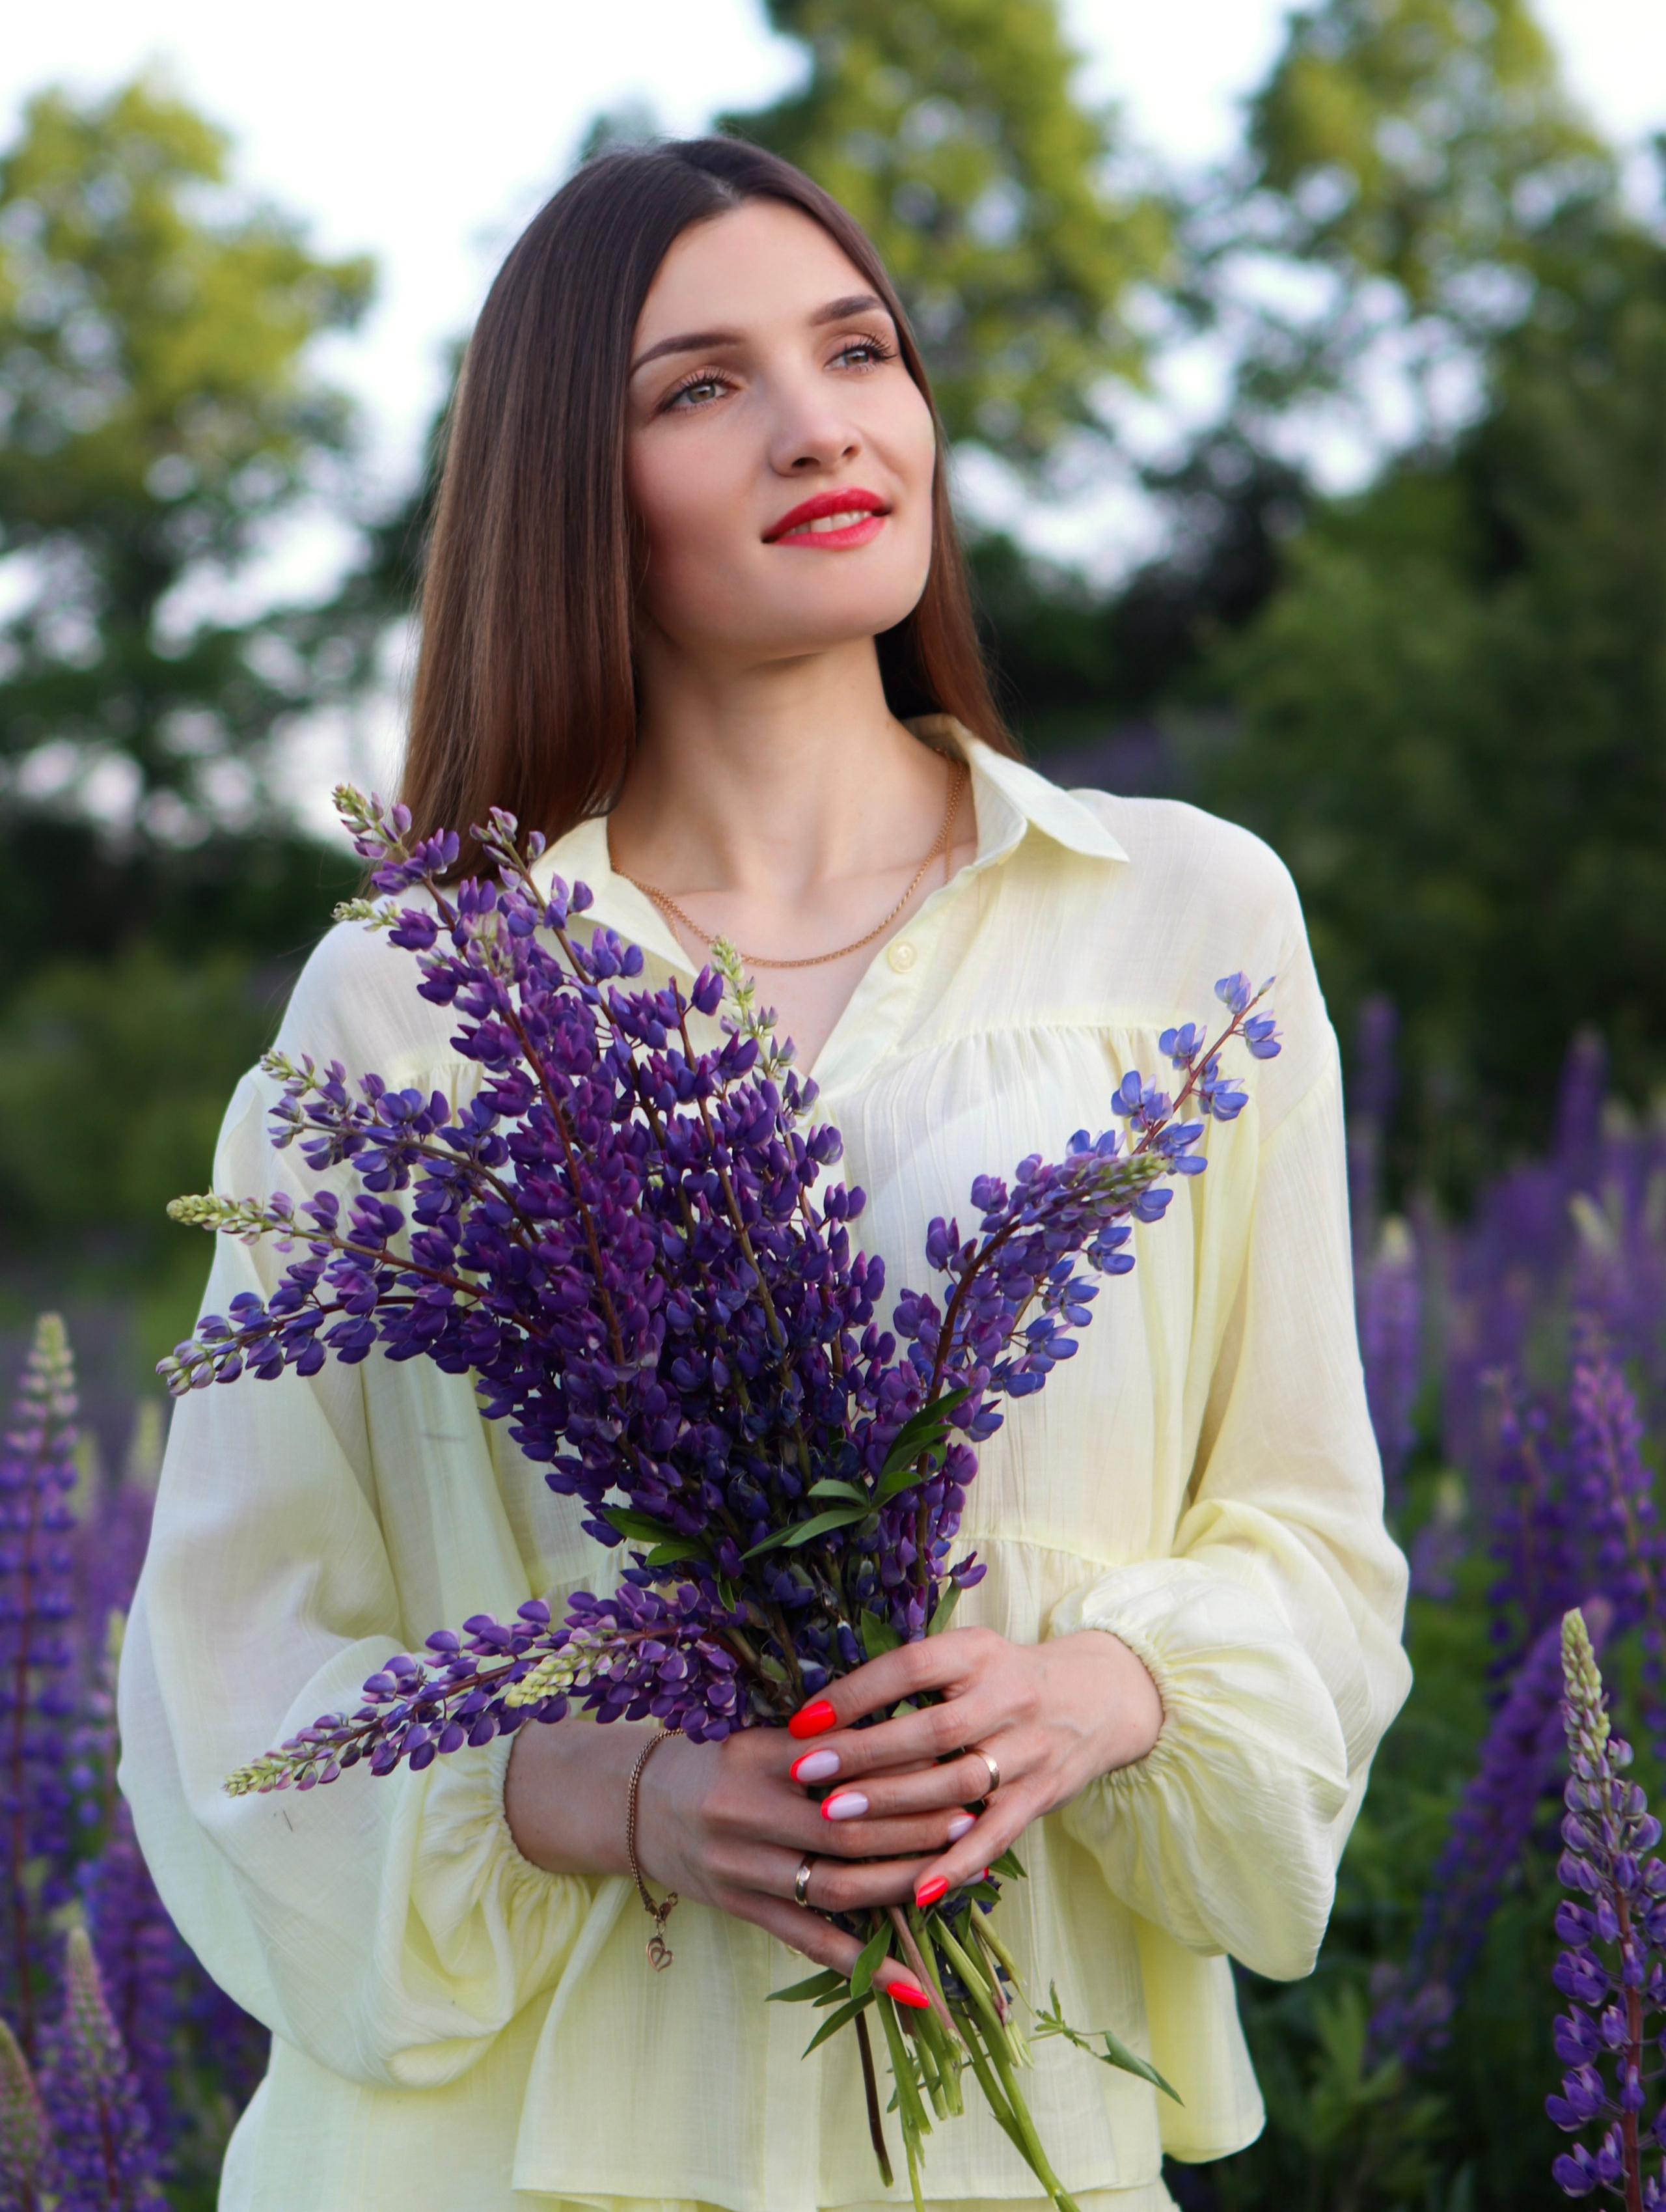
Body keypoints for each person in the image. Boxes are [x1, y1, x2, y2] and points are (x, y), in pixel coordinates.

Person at [120, 137, 1410, 2212]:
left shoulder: (1187, 924)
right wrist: (622, 1792)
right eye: (702, 386)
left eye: (859, 349)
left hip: (1009, 2139)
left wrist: (1095, 1695)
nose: (821, 424)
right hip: (504, 2163)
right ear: (574, 483)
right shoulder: (415, 1004)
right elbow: (231, 1666)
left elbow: (1314, 1546)